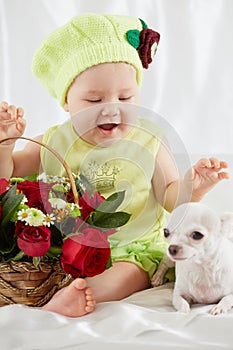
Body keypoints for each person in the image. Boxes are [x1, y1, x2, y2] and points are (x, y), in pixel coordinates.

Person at [0, 14, 229, 317]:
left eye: (125, 96)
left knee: (128, 274)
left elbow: (170, 195)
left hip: (133, 246)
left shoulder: (148, 139)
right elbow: (9, 174)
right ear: (67, 102)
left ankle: (74, 299)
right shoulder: (55, 141)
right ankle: (54, 289)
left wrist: (193, 188)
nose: (112, 108)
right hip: (71, 248)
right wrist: (6, 144)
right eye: (94, 100)